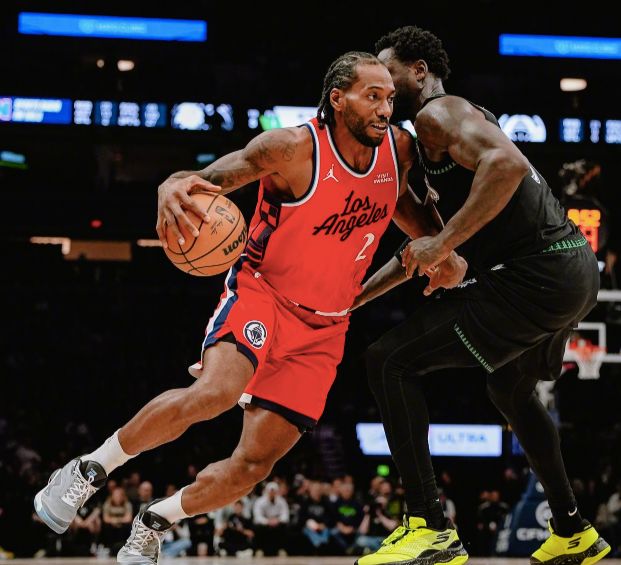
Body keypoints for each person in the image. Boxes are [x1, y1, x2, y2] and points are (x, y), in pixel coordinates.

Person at [33, 50, 466, 564]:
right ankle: (88, 469)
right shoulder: (290, 148)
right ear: (337, 99)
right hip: (263, 294)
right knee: (215, 393)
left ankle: (155, 521)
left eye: (389, 98)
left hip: (327, 326)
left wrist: (443, 249)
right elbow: (200, 181)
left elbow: (402, 205)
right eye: (372, 96)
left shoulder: (399, 150)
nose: (385, 109)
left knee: (253, 466)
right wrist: (172, 184)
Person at [354, 26, 610, 565]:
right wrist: (350, 301)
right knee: (509, 388)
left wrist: (444, 242)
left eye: (389, 72)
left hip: (537, 276)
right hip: (573, 270)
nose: (384, 85)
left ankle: (429, 526)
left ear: (419, 71)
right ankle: (572, 530)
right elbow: (421, 252)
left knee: (388, 360)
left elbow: (508, 165)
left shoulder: (439, 113)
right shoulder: (433, 144)